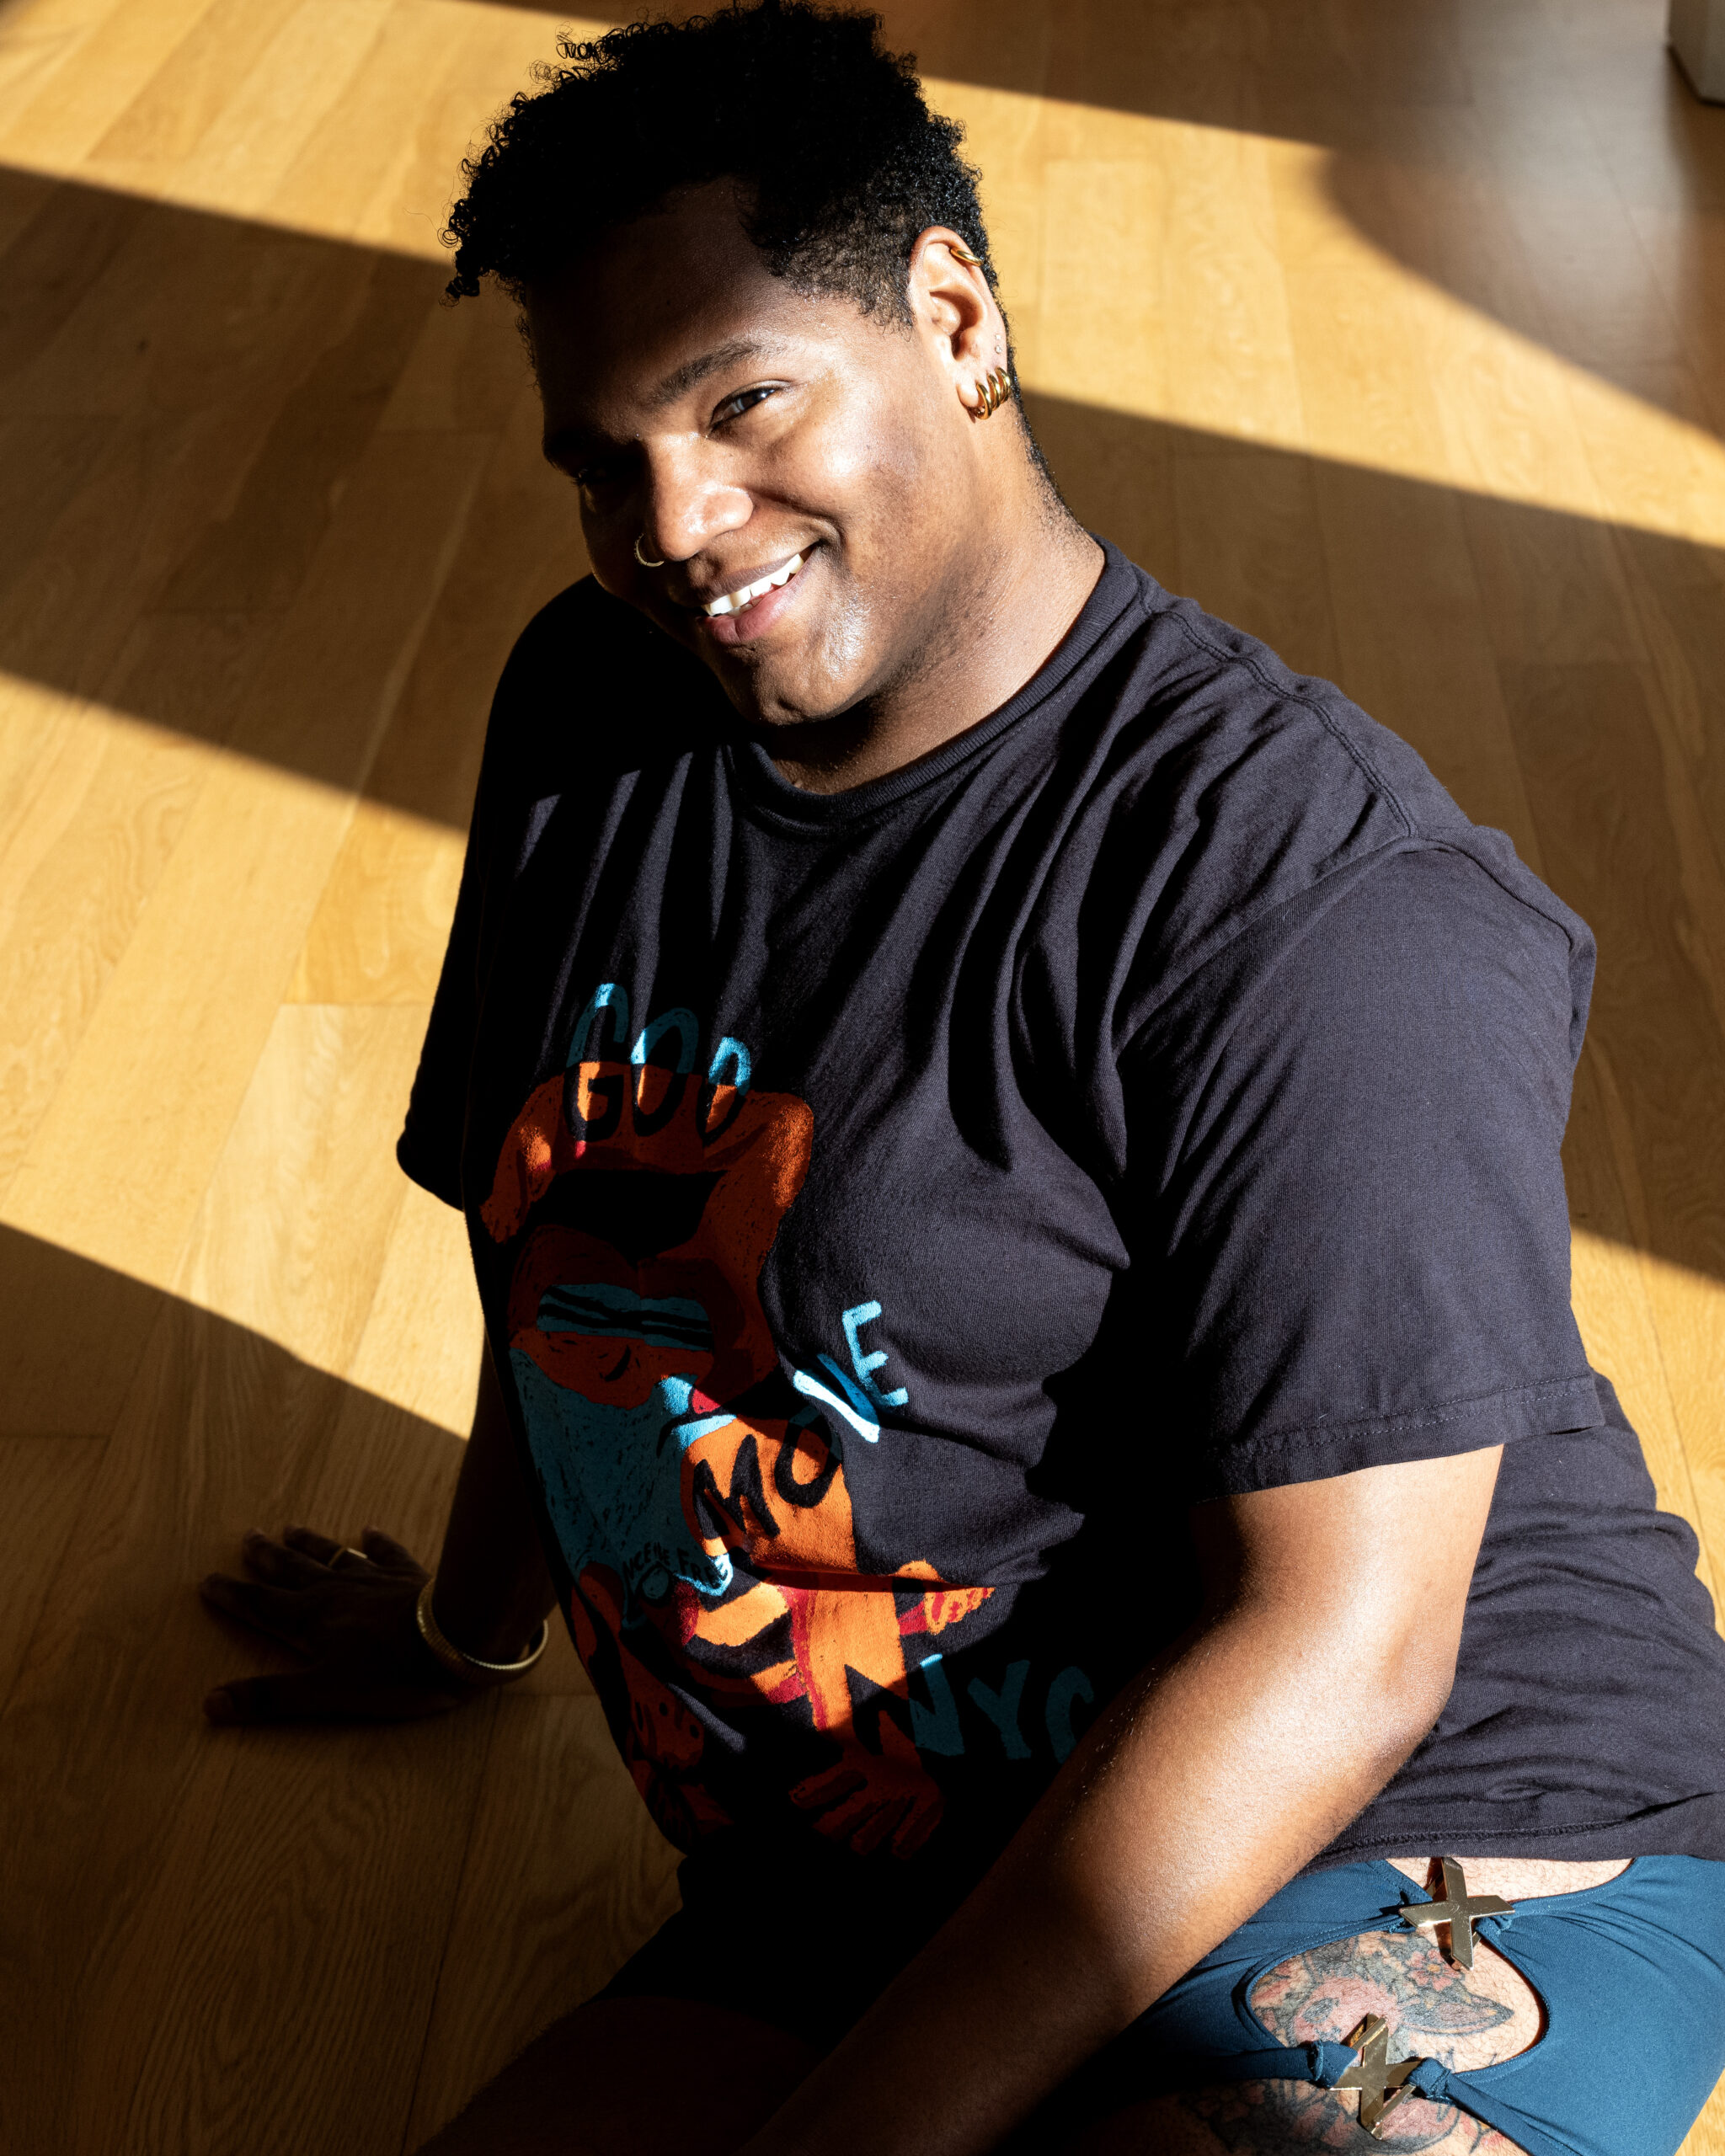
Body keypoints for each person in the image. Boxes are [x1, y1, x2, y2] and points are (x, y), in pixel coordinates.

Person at [199, 6, 1725, 2152]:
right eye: (602, 460)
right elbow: (552, 1239)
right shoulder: (594, 706)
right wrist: (473, 1631)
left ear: (954, 315)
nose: (674, 524)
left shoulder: (1318, 902)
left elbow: (1346, 1653)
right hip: (882, 1841)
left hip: (1402, 1817)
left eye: (741, 403)